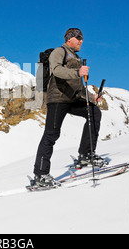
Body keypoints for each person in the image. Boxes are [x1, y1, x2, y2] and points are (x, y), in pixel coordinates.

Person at [33, 28, 103, 187]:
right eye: (78, 38)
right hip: (58, 99)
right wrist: (78, 72)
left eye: (82, 38)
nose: (81, 41)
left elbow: (78, 86)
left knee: (93, 112)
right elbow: (57, 70)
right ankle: (40, 174)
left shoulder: (76, 57)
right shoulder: (59, 51)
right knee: (51, 134)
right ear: (69, 38)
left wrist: (92, 98)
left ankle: (86, 154)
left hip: (72, 99)